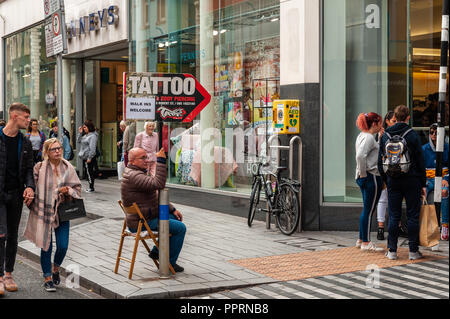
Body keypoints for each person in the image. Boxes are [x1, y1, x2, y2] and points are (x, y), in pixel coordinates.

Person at [23, 138, 81, 292]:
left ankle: (56, 268)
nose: (57, 151)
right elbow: (32, 187)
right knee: (46, 245)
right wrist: (29, 196)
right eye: (54, 149)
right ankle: (47, 277)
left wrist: (68, 190)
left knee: (63, 245)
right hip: (43, 211)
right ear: (47, 152)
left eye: (59, 148)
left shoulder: (68, 167)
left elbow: (77, 188)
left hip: (62, 212)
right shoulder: (39, 167)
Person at [121, 147, 186, 272]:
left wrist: (172, 209)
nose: (146, 160)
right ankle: (168, 263)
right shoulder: (134, 176)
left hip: (143, 218)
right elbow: (159, 184)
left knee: (174, 218)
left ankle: (157, 252)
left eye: (147, 157)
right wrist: (161, 160)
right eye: (143, 158)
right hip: (141, 222)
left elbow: (156, 195)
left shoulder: (134, 173)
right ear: (133, 161)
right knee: (180, 228)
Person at [378, 105, 427, 260]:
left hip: (393, 180)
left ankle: (392, 250)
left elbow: (381, 162)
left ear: (395, 117)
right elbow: (420, 161)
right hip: (412, 180)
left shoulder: (385, 135)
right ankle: (413, 251)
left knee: (393, 216)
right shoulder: (412, 135)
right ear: (407, 117)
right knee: (413, 215)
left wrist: (386, 179)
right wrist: (423, 183)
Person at [0, 103, 35, 296]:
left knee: (13, 235)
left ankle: (8, 274)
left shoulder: (25, 142)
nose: (29, 121)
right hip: (0, 194)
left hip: (15, 194)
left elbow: (29, 168)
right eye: (26, 117)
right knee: (1, 234)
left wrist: (30, 186)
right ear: (15, 117)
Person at [355, 112, 384, 252]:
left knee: (366, 209)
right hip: (371, 176)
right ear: (374, 123)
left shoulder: (363, 135)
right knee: (369, 210)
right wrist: (363, 174)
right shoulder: (369, 138)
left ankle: (361, 239)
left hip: (364, 176)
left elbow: (369, 153)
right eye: (380, 122)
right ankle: (366, 242)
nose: (381, 125)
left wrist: (361, 174)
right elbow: (360, 155)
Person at [422, 123, 449, 240]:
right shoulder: (424, 149)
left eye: (436, 132)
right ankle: (423, 226)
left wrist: (446, 179)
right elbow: (420, 168)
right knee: (421, 195)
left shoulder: (447, 147)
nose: (433, 135)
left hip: (443, 178)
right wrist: (422, 183)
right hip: (428, 179)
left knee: (445, 193)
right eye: (431, 132)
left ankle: (445, 226)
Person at [77, 120, 98, 193]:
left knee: (90, 172)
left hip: (89, 157)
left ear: (89, 127)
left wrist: (90, 157)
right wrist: (80, 133)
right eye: (83, 127)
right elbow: (78, 141)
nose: (84, 129)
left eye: (85, 127)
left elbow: (92, 148)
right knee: (88, 172)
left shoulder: (92, 136)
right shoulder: (86, 135)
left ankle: (91, 187)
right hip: (84, 156)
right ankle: (90, 186)